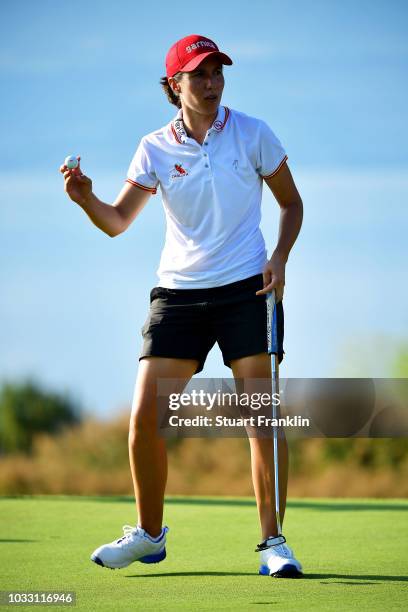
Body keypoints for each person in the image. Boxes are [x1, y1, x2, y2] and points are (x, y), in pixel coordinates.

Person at [60, 34, 303, 578]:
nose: (212, 82)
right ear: (175, 85)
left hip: (249, 288)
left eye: (217, 72)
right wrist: (86, 201)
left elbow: (291, 202)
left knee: (260, 418)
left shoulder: (253, 133)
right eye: (199, 74)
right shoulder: (153, 147)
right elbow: (118, 221)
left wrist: (280, 257)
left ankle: (274, 543)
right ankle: (149, 535)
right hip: (178, 295)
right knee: (146, 418)